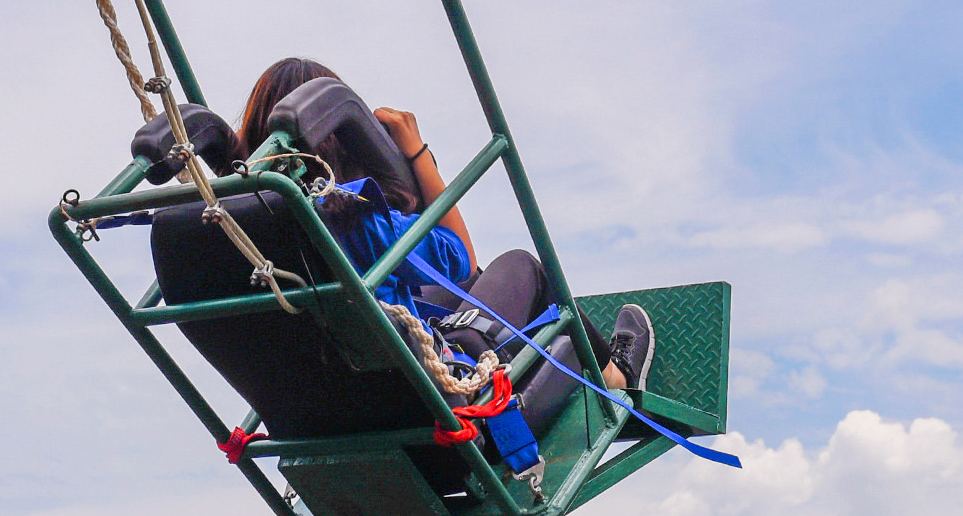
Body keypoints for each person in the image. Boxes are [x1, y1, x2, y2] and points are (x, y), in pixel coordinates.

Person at [238, 58, 654, 439]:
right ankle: (614, 376)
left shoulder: (232, 233)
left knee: (451, 289)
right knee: (519, 266)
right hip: (433, 415)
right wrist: (417, 155)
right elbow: (460, 256)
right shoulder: (347, 214)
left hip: (326, 417)